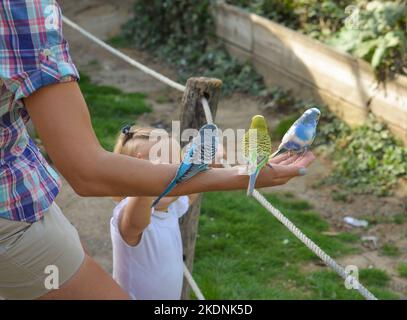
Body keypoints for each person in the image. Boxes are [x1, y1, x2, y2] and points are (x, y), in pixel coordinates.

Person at [0, 0, 315, 300]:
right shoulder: (131, 215)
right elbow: (99, 177)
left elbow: (188, 192)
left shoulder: (171, 208)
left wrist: (219, 164)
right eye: (148, 158)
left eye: (166, 145)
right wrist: (242, 177)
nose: (164, 153)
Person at [110, 126, 200, 300]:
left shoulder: (171, 206)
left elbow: (193, 190)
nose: (169, 176)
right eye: (157, 168)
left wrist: (208, 158)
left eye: (175, 167)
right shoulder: (129, 216)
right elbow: (137, 220)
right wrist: (147, 179)